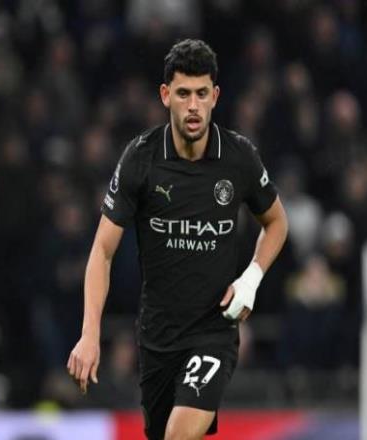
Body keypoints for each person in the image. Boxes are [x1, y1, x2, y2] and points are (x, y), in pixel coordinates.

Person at [67, 39, 288, 440]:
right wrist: (89, 333)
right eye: (183, 94)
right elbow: (102, 250)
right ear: (165, 95)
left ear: (215, 96)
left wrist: (251, 278)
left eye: (202, 94)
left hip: (213, 331)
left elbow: (277, 222)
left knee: (178, 436)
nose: (193, 106)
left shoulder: (237, 157)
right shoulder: (141, 159)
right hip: (157, 339)